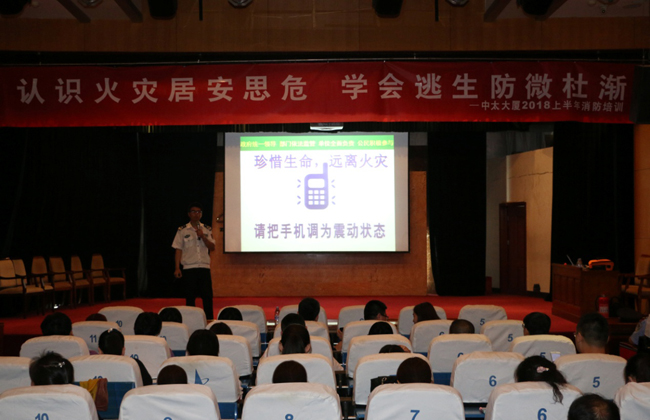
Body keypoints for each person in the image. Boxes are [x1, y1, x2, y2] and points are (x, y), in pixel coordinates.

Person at [172, 202, 215, 320]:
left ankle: (209, 320)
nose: (196, 214)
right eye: (194, 212)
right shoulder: (182, 230)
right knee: (190, 297)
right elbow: (178, 249)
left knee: (207, 296)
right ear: (189, 214)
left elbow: (212, 247)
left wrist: (203, 236)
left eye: (199, 212)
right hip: (189, 268)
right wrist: (177, 268)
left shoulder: (206, 229)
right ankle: (191, 320)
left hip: (204, 267)